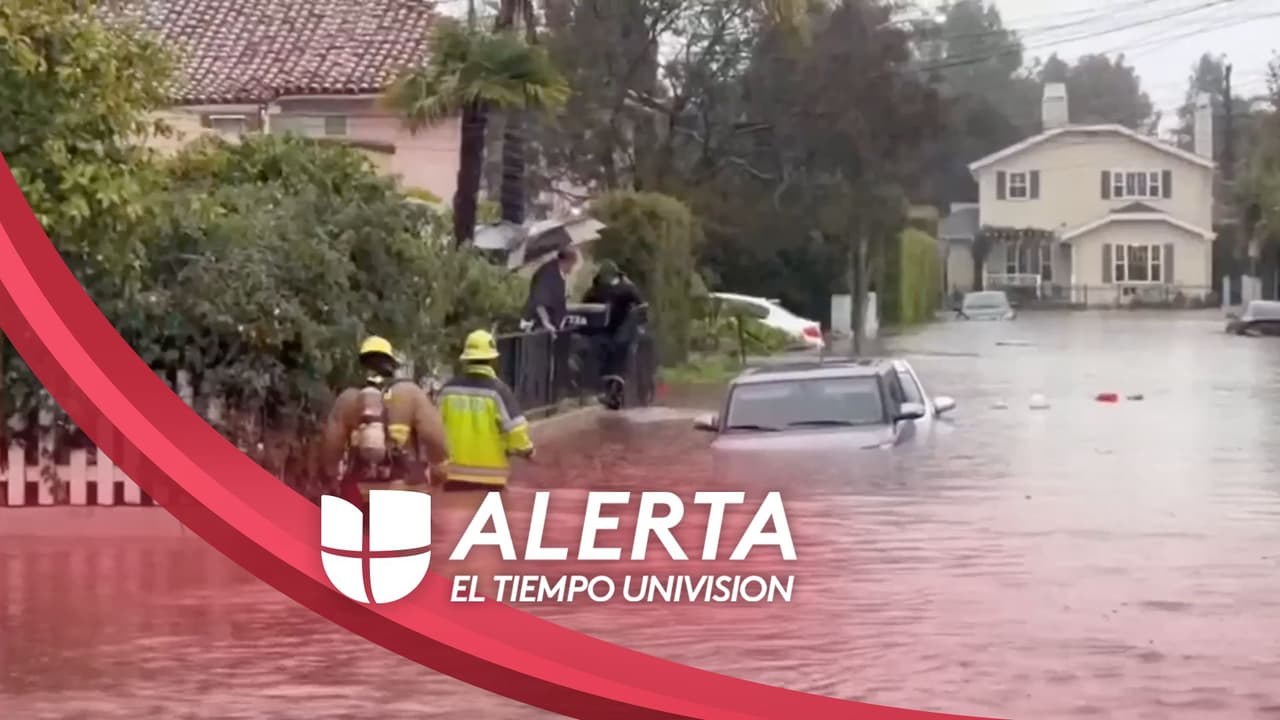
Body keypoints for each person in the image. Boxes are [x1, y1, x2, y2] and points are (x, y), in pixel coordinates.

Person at [321, 336, 450, 510]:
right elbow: (435, 438)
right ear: (391, 365)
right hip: (406, 491)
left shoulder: (348, 398)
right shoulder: (411, 394)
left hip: (360, 491)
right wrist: (438, 469)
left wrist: (331, 476)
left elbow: (331, 445)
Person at [436, 329, 535, 491]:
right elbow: (516, 430)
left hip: (453, 476)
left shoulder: (447, 390)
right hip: (492, 478)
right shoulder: (499, 391)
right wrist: (527, 450)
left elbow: (433, 427)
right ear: (492, 360)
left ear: (466, 360)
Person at [582, 261, 644, 408]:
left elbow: (640, 306)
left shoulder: (624, 290)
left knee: (617, 359)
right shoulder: (597, 291)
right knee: (605, 358)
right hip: (605, 334)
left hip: (616, 333)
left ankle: (612, 392)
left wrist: (638, 325)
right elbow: (585, 308)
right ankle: (605, 391)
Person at [522, 247, 578, 335]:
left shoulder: (559, 273)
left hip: (552, 325)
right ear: (569, 261)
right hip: (540, 326)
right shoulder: (548, 273)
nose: (574, 268)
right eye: (574, 264)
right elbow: (539, 300)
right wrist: (546, 322)